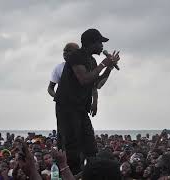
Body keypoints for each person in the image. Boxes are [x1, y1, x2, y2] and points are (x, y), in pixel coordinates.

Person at [55, 28, 120, 174]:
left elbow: (96, 84)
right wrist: (104, 63)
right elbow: (84, 79)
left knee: (91, 148)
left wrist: (108, 68)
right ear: (91, 43)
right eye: (100, 43)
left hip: (81, 109)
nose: (102, 46)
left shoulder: (91, 60)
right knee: (72, 148)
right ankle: (69, 175)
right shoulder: (76, 56)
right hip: (67, 107)